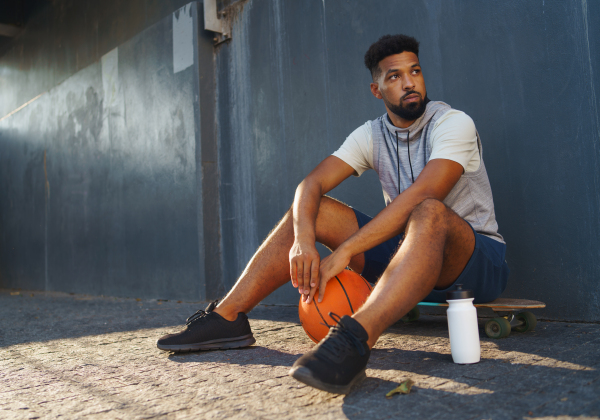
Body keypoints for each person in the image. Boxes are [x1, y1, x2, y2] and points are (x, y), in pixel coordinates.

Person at [157, 34, 509, 394]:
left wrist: (344, 252)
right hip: (409, 253)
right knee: (313, 211)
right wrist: (304, 243)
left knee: (429, 210)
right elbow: (309, 185)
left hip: (474, 260)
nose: (408, 83)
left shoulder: (452, 123)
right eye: (394, 76)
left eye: (414, 71)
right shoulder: (372, 135)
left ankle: (353, 340)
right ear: (377, 90)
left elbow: (425, 193)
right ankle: (227, 318)